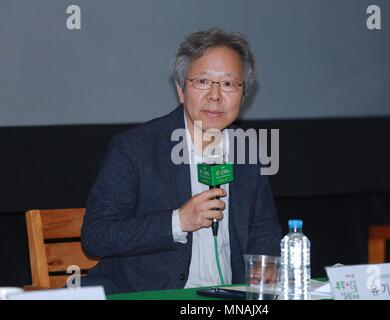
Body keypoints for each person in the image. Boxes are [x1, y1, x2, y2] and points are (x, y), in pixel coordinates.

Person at [81, 28, 281, 294]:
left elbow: (263, 228)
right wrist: (179, 221)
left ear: (243, 96)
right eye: (202, 81)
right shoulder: (134, 148)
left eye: (229, 84)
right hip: (148, 294)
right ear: (181, 90)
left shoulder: (247, 152)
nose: (215, 95)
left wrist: (264, 271)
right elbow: (97, 236)